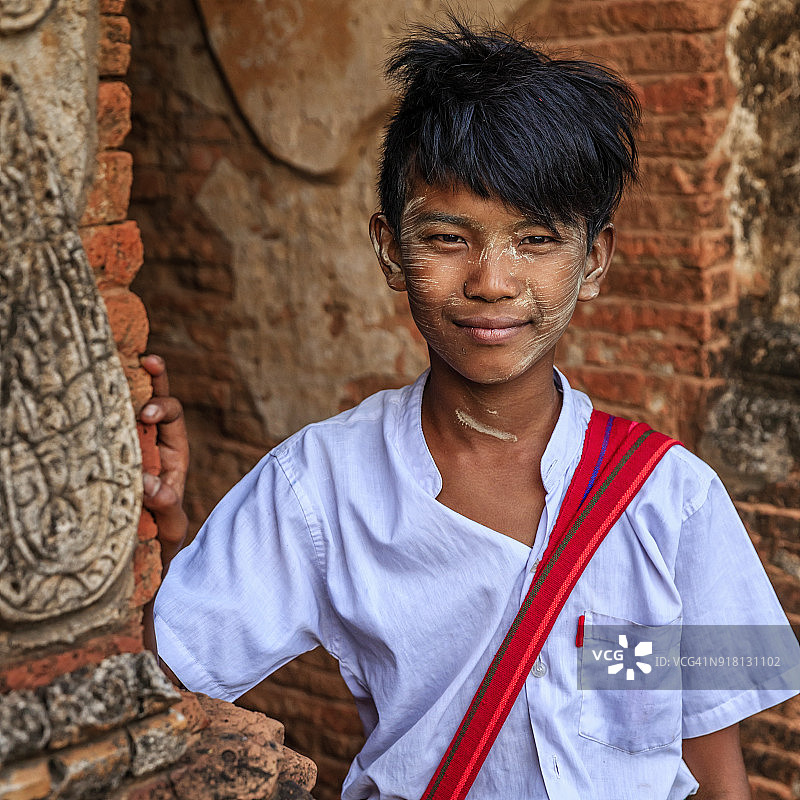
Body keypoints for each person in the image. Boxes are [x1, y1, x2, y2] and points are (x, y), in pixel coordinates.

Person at [141, 18, 799, 800]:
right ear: (390, 249)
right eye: (449, 238)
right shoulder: (319, 486)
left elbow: (716, 761)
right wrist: (161, 534)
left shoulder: (675, 499)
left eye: (537, 239)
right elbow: (154, 676)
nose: (492, 280)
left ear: (595, 260)